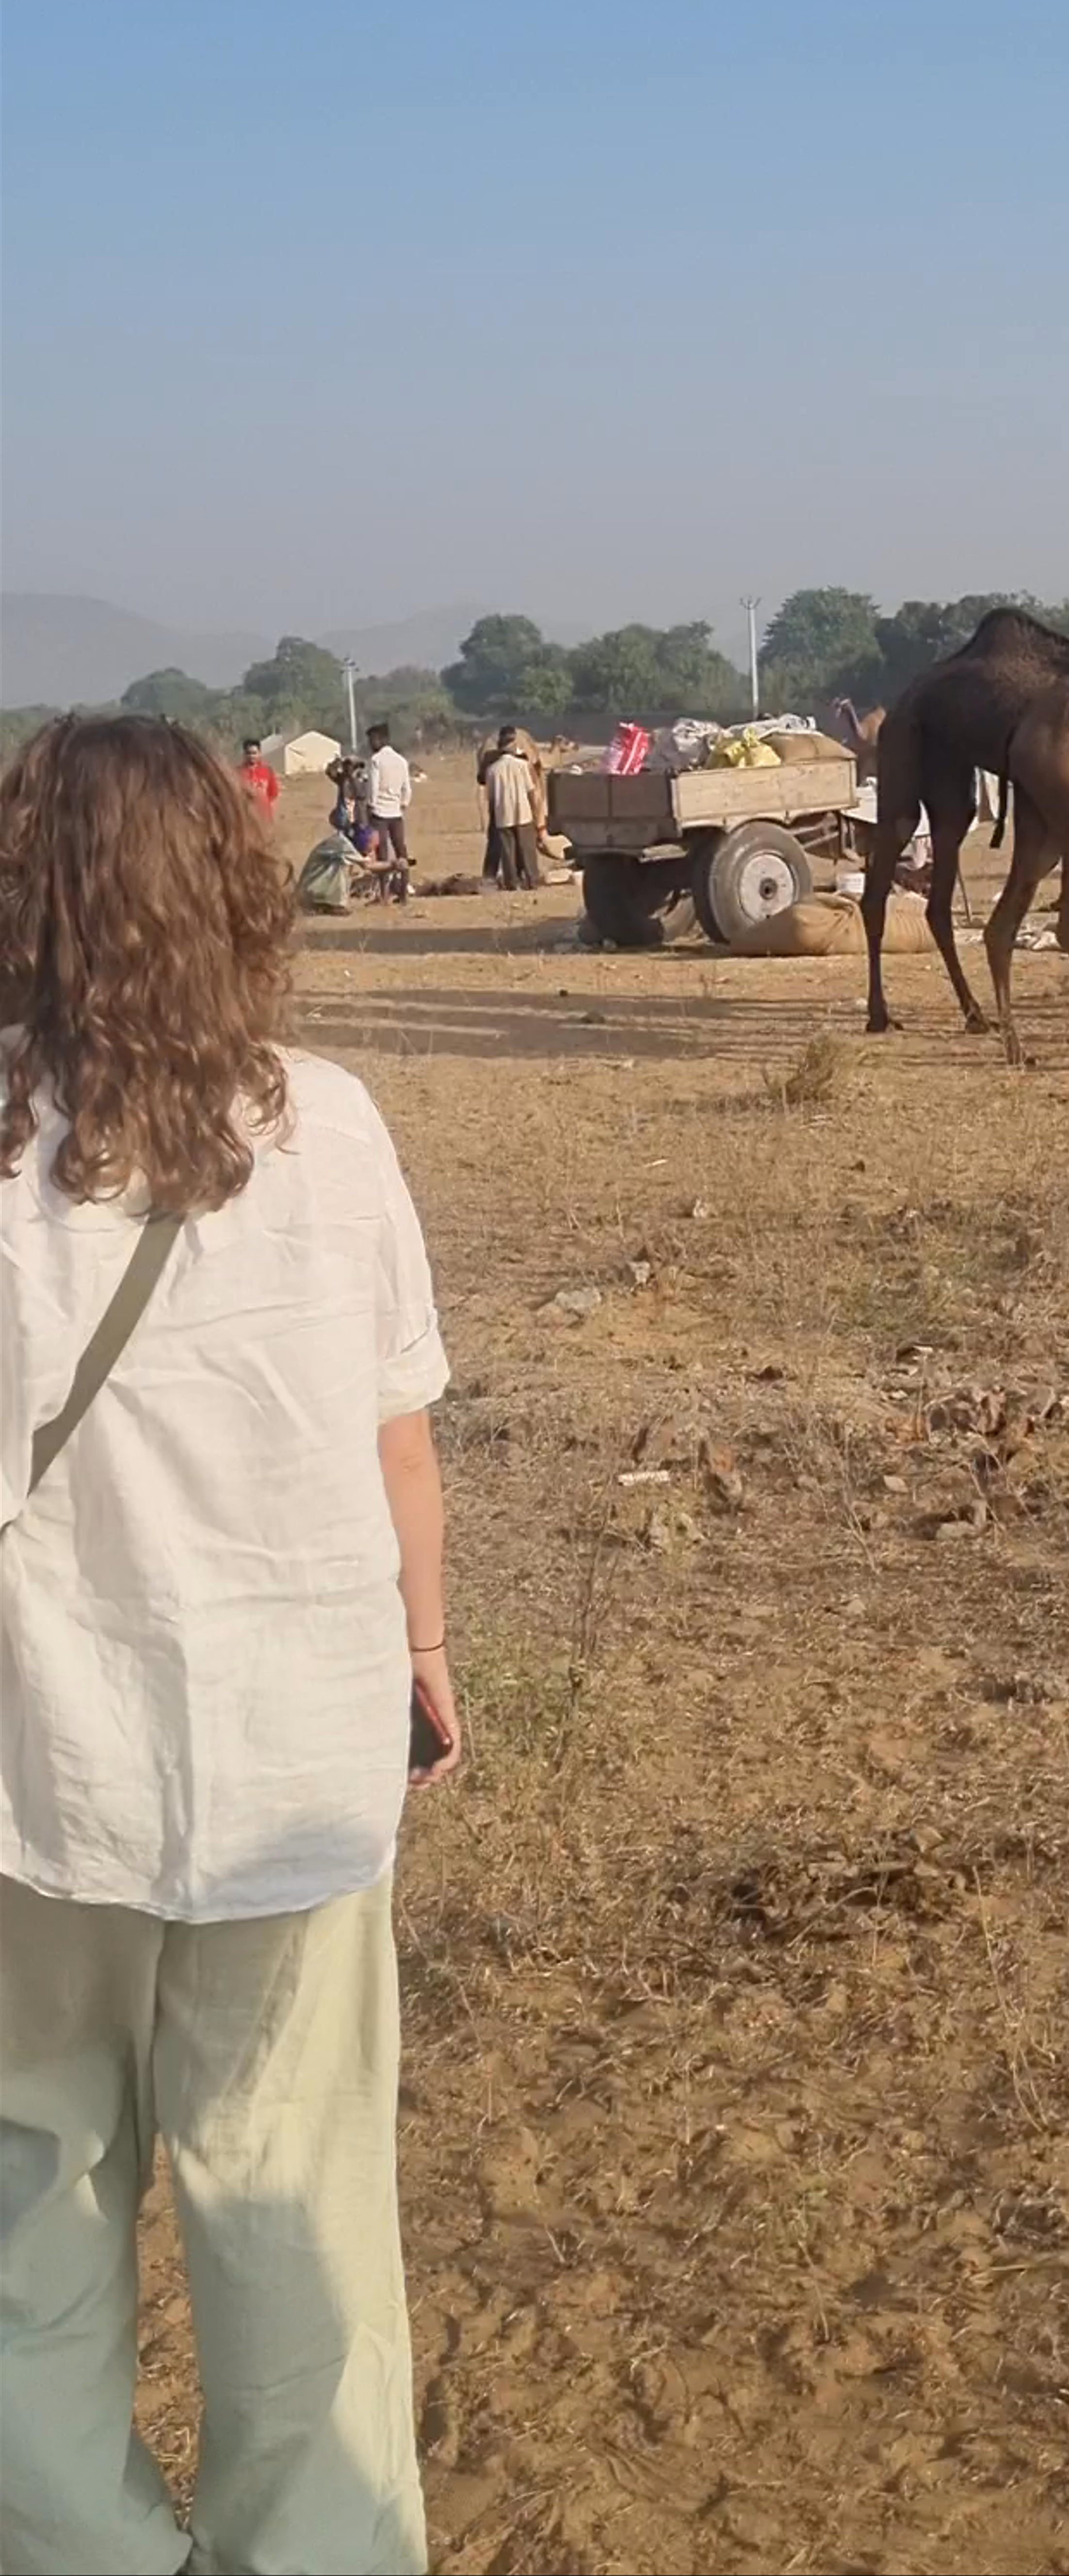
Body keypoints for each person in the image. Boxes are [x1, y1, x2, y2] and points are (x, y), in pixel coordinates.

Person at [0, 714, 458, 2576]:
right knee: (293, 2185)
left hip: (41, 1762)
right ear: (234, 887)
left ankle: (75, 2544)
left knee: (35, 2181)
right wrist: (427, 1648)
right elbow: (397, 1438)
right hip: (296, 1747)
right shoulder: (326, 1123)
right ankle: (318, 2543)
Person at [482, 724, 541, 890]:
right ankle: (532, 881)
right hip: (524, 813)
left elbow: (490, 797)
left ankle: (512, 883)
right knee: (528, 849)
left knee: (508, 852)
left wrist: (493, 816)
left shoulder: (492, 770)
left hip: (503, 815)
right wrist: (535, 812)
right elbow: (531, 791)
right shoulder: (523, 766)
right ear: (514, 744)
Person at [364, 718, 414, 872]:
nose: (370, 745)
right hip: (396, 814)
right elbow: (407, 789)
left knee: (382, 850)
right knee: (401, 848)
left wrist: (370, 806)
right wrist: (403, 804)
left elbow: (373, 788)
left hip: (379, 814)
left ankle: (384, 884)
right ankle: (405, 883)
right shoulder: (402, 761)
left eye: (372, 740)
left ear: (380, 739)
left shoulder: (376, 760)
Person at [236, 734, 281, 819]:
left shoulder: (267, 771)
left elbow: (273, 794)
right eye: (248, 753)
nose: (251, 756)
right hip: (245, 818)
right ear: (244, 754)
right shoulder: (237, 773)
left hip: (265, 817)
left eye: (254, 753)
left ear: (260, 753)